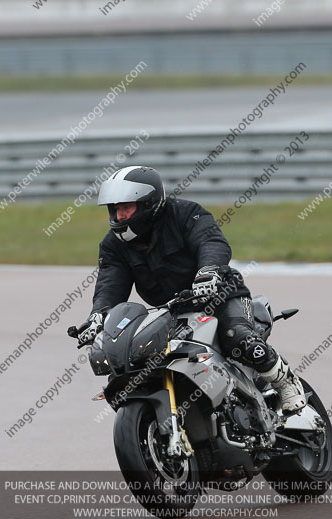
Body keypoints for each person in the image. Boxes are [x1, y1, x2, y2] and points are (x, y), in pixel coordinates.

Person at [76, 165, 306, 413]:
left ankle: (286, 382)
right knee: (135, 358)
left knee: (238, 338)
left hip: (220, 297)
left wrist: (208, 271)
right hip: (172, 312)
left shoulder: (186, 214)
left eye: (126, 208)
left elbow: (211, 241)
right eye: (115, 209)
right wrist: (98, 315)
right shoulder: (113, 245)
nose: (120, 216)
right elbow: (110, 284)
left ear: (148, 204)